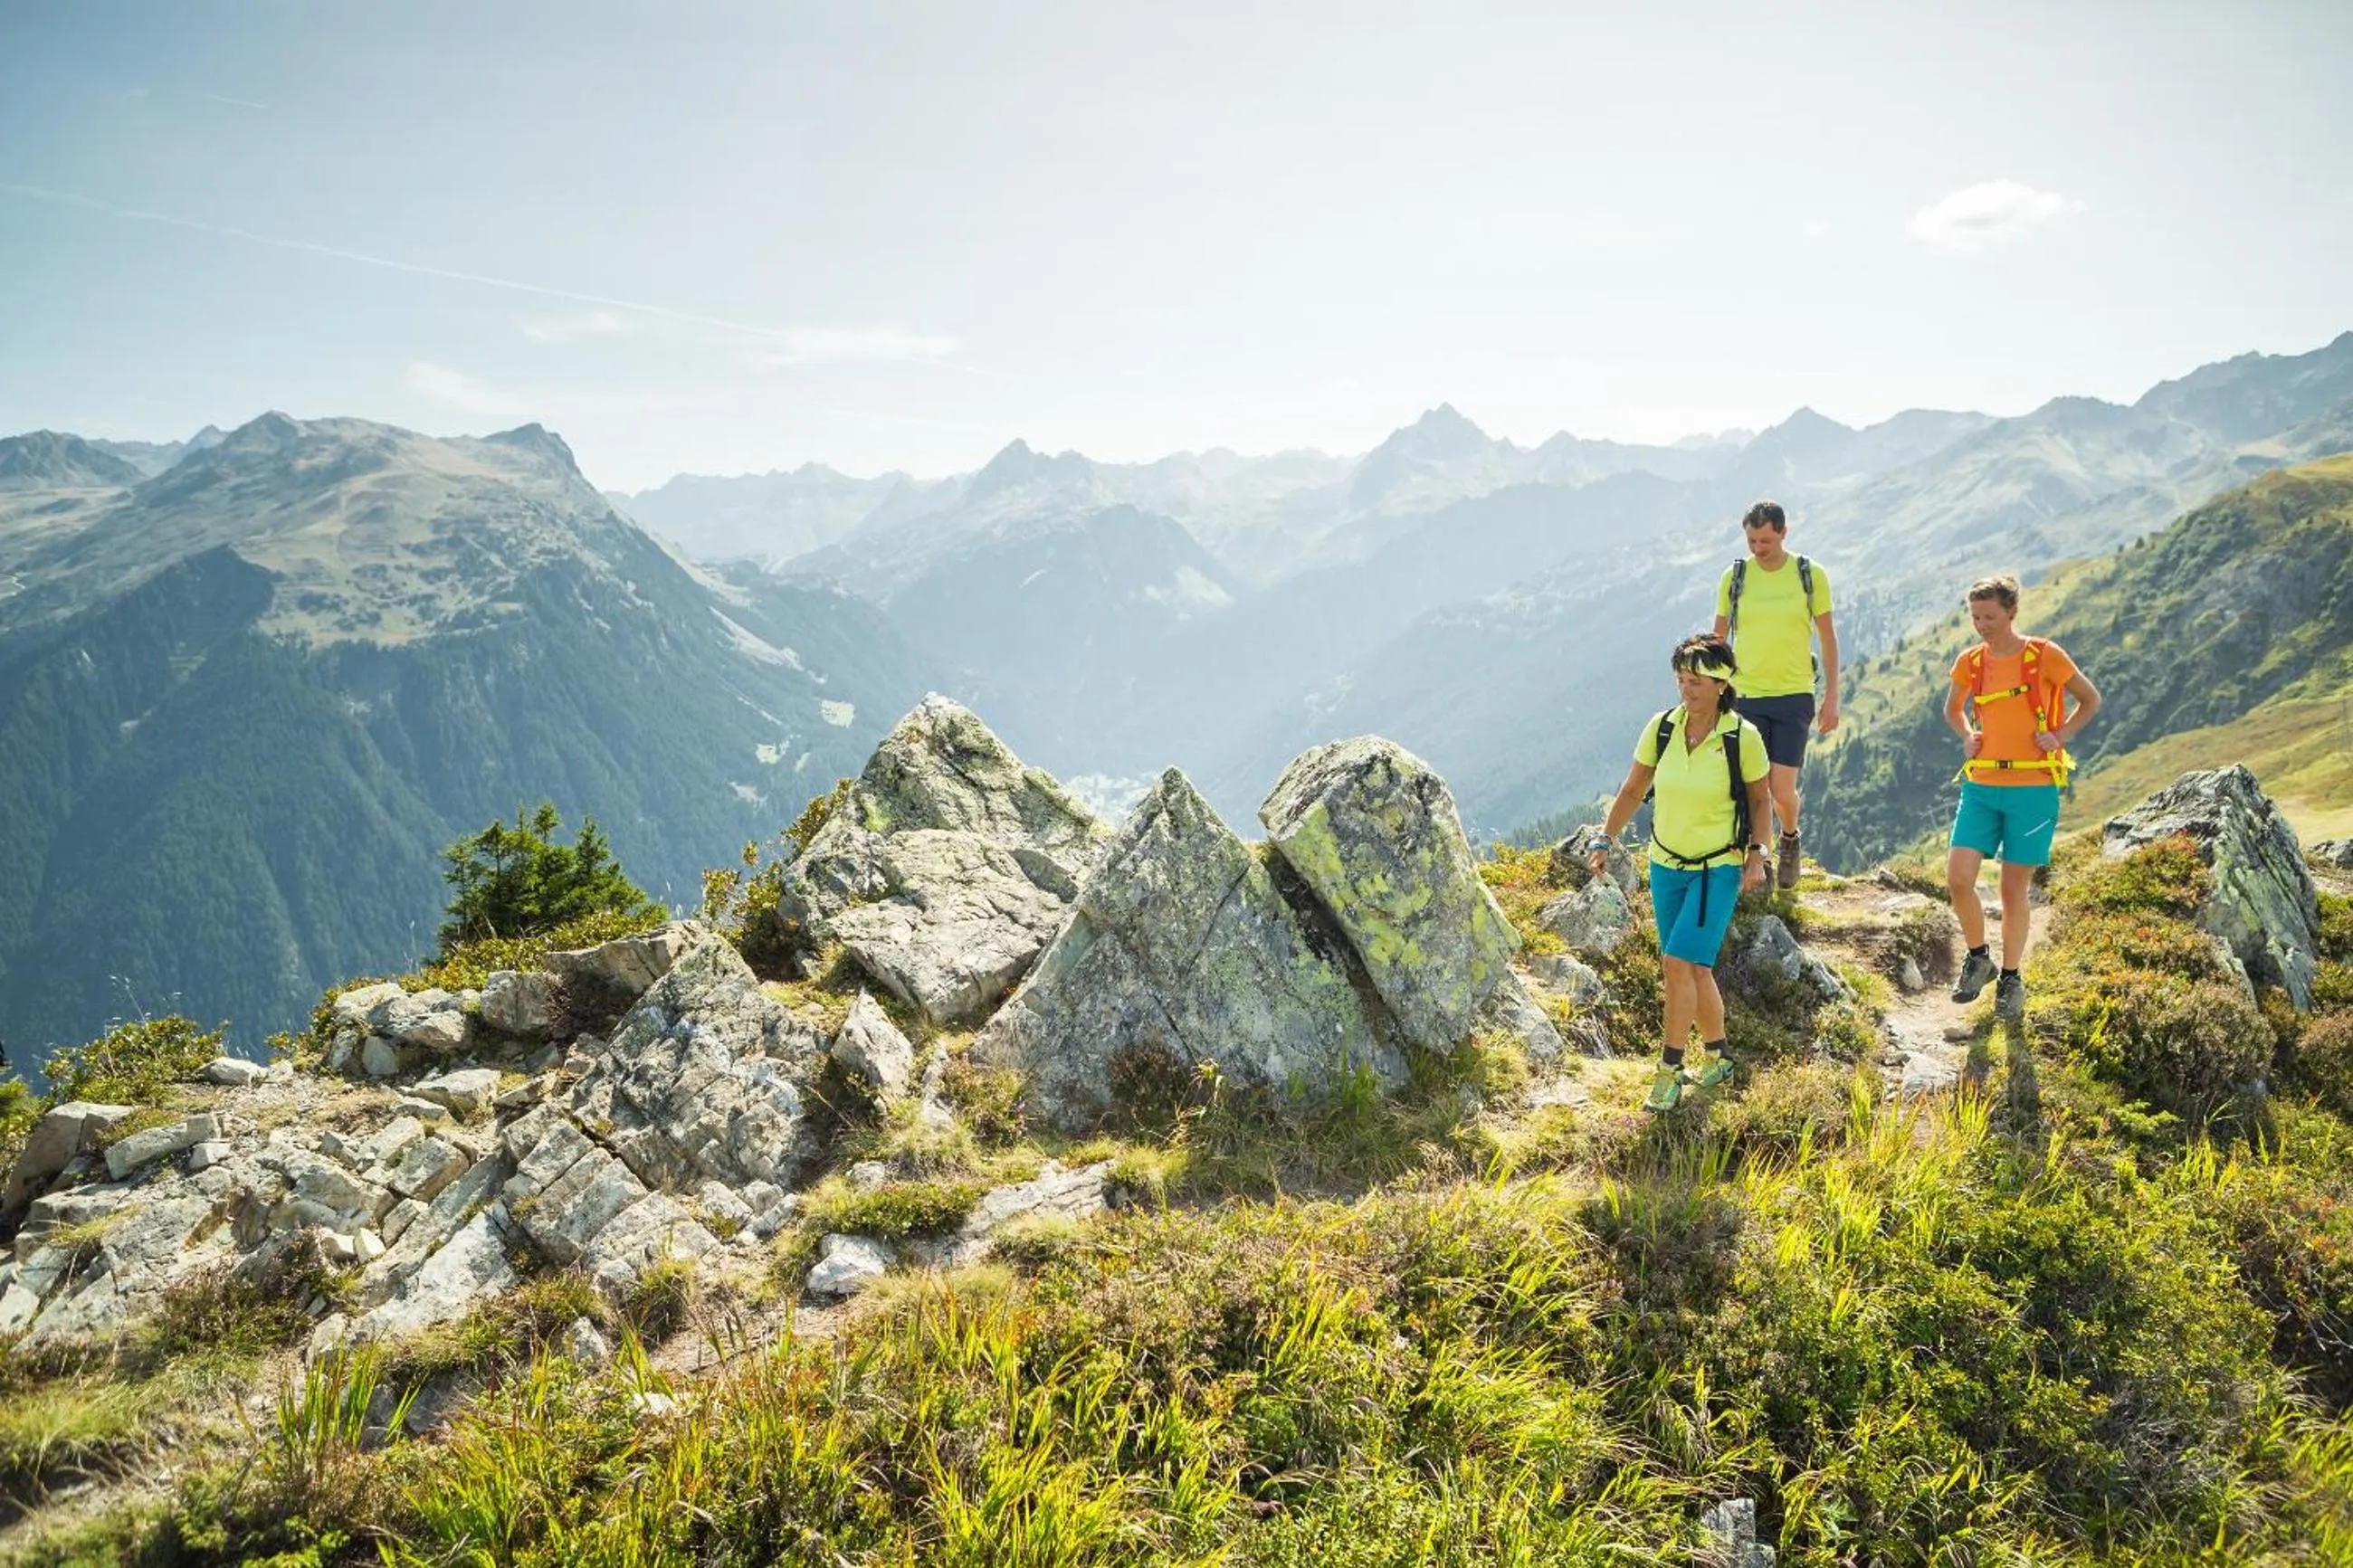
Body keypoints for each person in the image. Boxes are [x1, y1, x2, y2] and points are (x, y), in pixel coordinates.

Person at [1592, 632, 1773, 1112]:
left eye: (1695, 680)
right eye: (1681, 679)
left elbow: (1760, 799)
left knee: (1676, 965)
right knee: (1693, 966)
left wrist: (1759, 853)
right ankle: (1720, 1059)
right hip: (1665, 863)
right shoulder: (1663, 728)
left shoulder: (1740, 737)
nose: (1686, 689)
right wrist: (1605, 838)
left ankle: (1669, 1070)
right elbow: (1633, 789)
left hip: (1717, 869)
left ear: (1720, 683)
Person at [1944, 574, 2101, 1021]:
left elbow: (2090, 700)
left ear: (2012, 612)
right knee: (1958, 878)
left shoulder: (2045, 655)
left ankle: (2011, 977)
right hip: (1981, 786)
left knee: (2013, 888)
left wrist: (2060, 735)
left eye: (1990, 616)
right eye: (1976, 617)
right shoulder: (1969, 662)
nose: (1982, 625)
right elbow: (1952, 709)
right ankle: (1979, 958)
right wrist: (1967, 734)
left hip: (2033, 789)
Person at [1712, 499, 1839, 890]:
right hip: (1746, 694)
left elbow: (1828, 638)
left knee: (1782, 790)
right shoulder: (1735, 578)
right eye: (1751, 540)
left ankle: (1790, 838)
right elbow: (1717, 639)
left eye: (1765, 540)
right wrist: (1710, 692)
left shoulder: (1809, 574)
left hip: (1794, 694)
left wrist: (1832, 696)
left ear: (1784, 533)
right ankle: (1758, 862)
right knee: (1754, 786)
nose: (1757, 548)